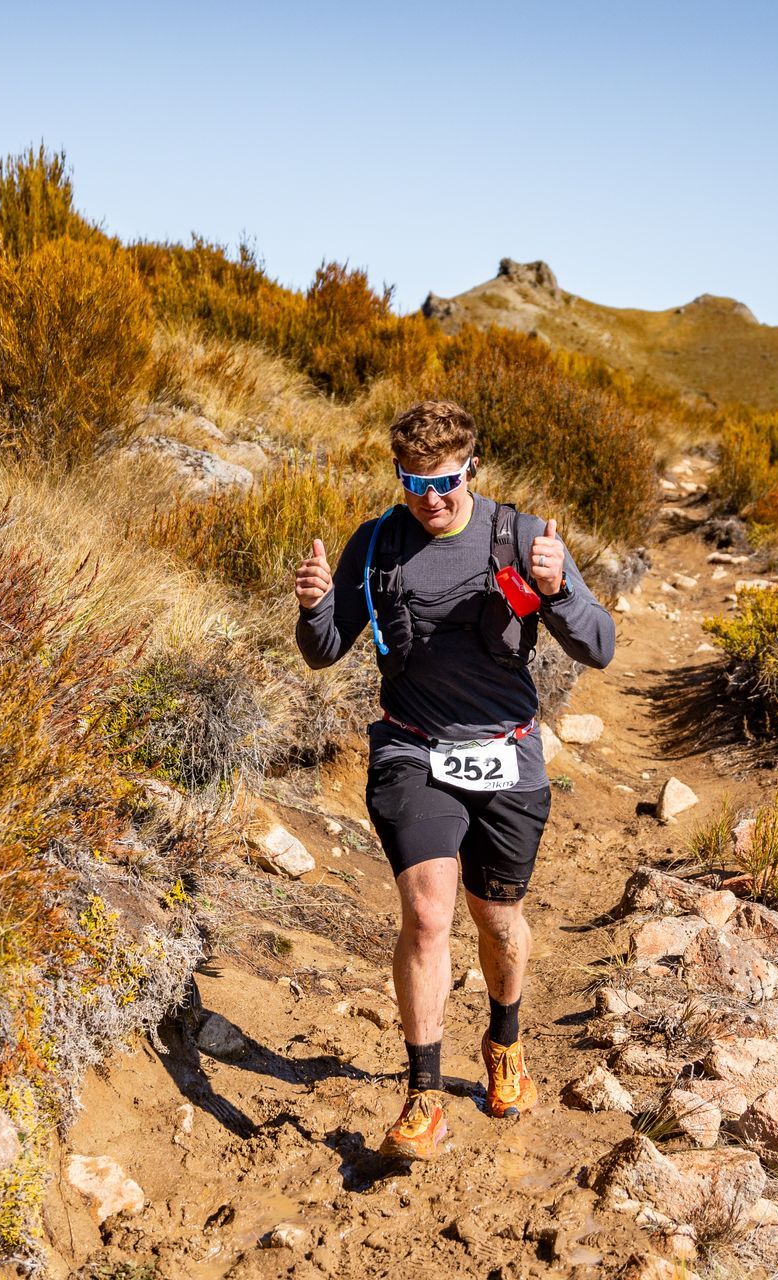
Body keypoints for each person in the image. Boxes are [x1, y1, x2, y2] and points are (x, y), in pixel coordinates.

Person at [294, 399, 615, 1161]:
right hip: (412, 749)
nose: (429, 499)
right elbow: (325, 649)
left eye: (443, 482)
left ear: (473, 467)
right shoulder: (373, 544)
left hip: (506, 754)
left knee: (497, 921)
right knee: (429, 916)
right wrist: (312, 608)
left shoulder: (526, 536)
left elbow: (599, 647)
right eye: (413, 482)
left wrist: (559, 589)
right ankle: (424, 1097)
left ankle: (504, 1040)